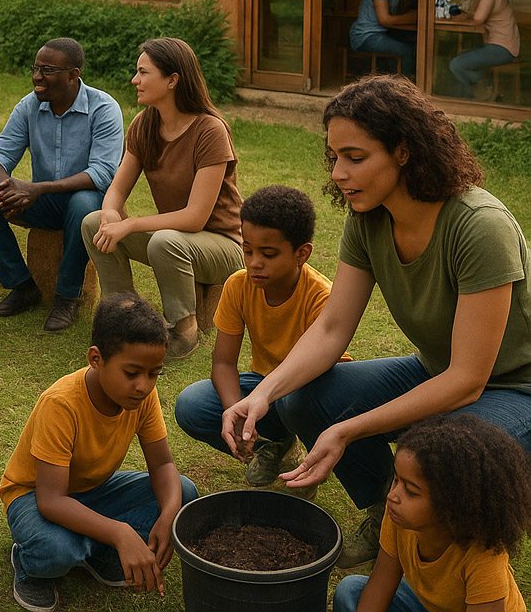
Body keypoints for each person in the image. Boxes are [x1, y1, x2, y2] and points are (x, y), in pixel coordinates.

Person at [220, 76, 531, 570]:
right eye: (334, 157)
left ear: (404, 152)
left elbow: (469, 380)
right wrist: (262, 394)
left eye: (355, 157)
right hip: (435, 369)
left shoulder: (479, 226)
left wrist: (347, 430)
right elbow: (329, 330)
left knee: (444, 459)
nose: (340, 173)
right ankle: (381, 507)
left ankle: (440, 558)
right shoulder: (368, 217)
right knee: (305, 398)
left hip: (515, 388)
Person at [0, 292, 199, 612]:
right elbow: (50, 500)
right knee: (57, 549)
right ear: (96, 359)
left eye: (153, 374)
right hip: (35, 496)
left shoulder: (142, 396)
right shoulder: (61, 403)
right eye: (132, 373)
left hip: (93, 490)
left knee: (183, 493)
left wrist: (167, 514)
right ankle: (29, 565)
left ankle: (96, 552)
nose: (143, 386)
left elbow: (162, 464)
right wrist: (120, 533)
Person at [174, 185, 349, 497]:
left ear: (302, 254)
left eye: (268, 254)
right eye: (248, 250)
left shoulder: (322, 297)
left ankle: (309, 461)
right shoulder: (238, 286)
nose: (254, 262)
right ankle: (275, 447)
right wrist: (236, 414)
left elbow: (325, 368)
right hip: (264, 389)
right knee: (192, 404)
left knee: (293, 400)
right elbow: (223, 363)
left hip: (314, 389)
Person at [82, 37, 243, 363]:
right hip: (178, 240)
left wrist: (130, 225)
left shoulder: (210, 130)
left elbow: (195, 218)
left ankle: (184, 332)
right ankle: (122, 319)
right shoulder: (145, 124)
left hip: (224, 246)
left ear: (172, 80)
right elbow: (117, 188)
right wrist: (111, 212)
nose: (134, 80)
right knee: (92, 222)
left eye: (143, 72)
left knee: (165, 242)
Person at [0, 37, 123, 332]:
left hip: (87, 203)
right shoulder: (29, 106)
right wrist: (5, 188)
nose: (37, 77)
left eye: (47, 70)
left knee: (84, 203)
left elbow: (102, 173)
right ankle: (22, 286)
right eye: (36, 68)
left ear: (73, 75)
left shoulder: (104, 109)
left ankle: (66, 297)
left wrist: (37, 188)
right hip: (43, 203)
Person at [333, 414, 531, 612]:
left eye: (411, 491)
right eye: (396, 480)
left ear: (452, 506)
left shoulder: (483, 555)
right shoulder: (399, 516)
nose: (393, 495)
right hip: (428, 605)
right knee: (351, 591)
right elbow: (380, 585)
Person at [449, 0, 520, 101]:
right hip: (492, 45)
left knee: (457, 64)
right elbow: (467, 12)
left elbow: (478, 18)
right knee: (458, 58)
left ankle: (482, 91)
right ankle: (482, 92)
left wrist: (469, 4)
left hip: (503, 48)